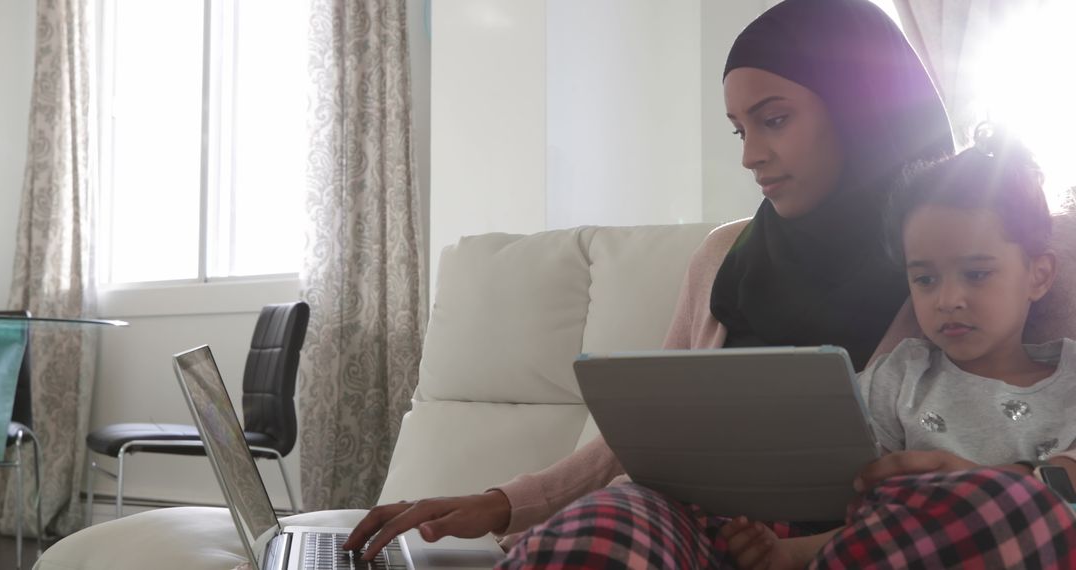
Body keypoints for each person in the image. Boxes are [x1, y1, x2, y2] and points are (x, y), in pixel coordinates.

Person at [345, 0, 1076, 566]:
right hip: (703, 529)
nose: (753, 155)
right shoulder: (725, 254)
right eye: (739, 130)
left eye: (776, 119)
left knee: (1000, 510)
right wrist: (500, 503)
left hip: (869, 541)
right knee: (608, 526)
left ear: (861, 108)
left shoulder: (975, 250)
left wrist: (993, 483)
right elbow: (640, 441)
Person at [722, 132, 1076, 569]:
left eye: (977, 274)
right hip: (886, 554)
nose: (947, 299)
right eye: (925, 280)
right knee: (650, 505)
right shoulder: (902, 375)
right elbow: (866, 517)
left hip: (1026, 544)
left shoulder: (1071, 380)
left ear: (1039, 275)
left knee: (1012, 505)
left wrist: (979, 489)